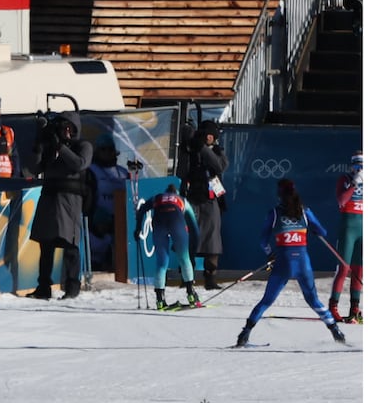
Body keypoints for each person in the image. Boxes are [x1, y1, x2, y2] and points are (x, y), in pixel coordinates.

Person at [236, 179, 345, 347]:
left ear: (279, 194)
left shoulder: (274, 213)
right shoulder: (304, 211)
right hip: (303, 263)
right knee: (313, 300)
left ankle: (244, 334)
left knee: (266, 301)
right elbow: (322, 231)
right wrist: (313, 229)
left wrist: (270, 254)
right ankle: (336, 331)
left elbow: (263, 241)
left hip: (283, 262)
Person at [27, 112, 93, 300]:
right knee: (45, 245)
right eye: (62, 127)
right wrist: (39, 146)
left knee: (70, 244)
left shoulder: (83, 146)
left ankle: (72, 287)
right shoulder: (51, 146)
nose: (65, 131)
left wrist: (60, 147)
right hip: (49, 199)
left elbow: (79, 164)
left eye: (68, 127)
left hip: (70, 202)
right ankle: (43, 287)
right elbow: (34, 169)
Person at [176, 119, 228, 289]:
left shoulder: (217, 151)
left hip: (211, 198)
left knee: (212, 240)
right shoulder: (191, 151)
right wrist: (188, 148)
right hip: (192, 198)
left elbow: (219, 166)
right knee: (188, 238)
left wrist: (203, 149)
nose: (208, 138)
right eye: (206, 135)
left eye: (211, 135)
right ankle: (186, 277)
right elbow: (181, 172)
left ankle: (210, 278)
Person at [135, 184, 201, 309]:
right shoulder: (182, 200)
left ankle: (160, 300)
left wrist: (138, 229)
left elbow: (142, 209)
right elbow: (194, 229)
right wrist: (193, 253)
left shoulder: (157, 197)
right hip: (177, 222)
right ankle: (191, 294)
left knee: (161, 263)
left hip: (159, 223)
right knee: (184, 259)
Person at [328, 151, 363, 323]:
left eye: (362, 166)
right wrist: (354, 184)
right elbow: (341, 201)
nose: (360, 169)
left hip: (362, 229)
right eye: (357, 165)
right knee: (343, 269)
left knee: (359, 270)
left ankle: (354, 308)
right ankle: (333, 307)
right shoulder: (345, 179)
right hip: (348, 228)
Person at [87, 134, 130, 271]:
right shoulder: (91, 171)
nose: (107, 153)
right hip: (98, 225)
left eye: (110, 149)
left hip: (120, 223)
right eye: (103, 149)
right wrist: (93, 218)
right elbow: (87, 199)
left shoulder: (124, 172)